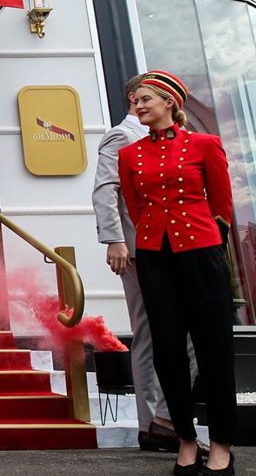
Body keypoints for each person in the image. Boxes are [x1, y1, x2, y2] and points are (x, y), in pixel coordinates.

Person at [118, 71, 238, 476]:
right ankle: (185, 440)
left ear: (170, 102)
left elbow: (222, 205)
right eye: (134, 100)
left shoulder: (205, 145)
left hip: (201, 254)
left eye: (145, 98)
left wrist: (207, 245)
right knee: (167, 349)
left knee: (214, 348)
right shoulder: (129, 155)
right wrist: (155, 240)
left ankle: (220, 445)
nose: (138, 105)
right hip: (155, 256)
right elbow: (136, 208)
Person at [93, 73, 192, 452]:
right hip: (139, 249)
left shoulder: (165, 139)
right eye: (146, 96)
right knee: (155, 333)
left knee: (158, 334)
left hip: (168, 247)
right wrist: (114, 240)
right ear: (136, 98)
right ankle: (157, 420)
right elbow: (105, 188)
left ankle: (157, 421)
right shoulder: (122, 135)